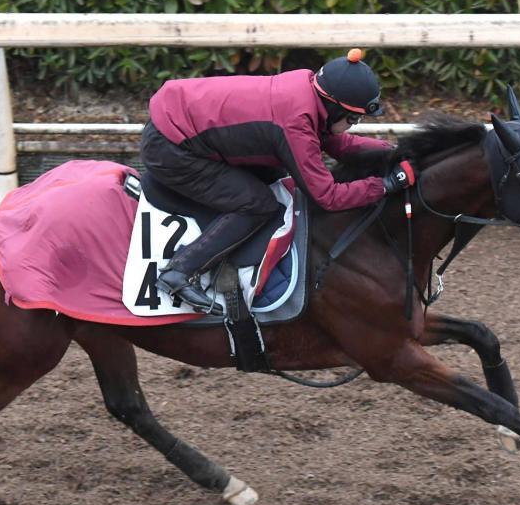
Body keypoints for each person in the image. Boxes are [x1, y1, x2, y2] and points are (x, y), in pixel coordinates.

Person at [140, 48, 415, 315]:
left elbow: (337, 143)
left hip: (180, 124)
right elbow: (328, 196)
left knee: (273, 176)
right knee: (258, 203)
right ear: (332, 106)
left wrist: (392, 150)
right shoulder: (296, 123)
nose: (354, 124)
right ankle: (180, 271)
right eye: (353, 117)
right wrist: (386, 185)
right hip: (170, 149)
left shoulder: (308, 88)